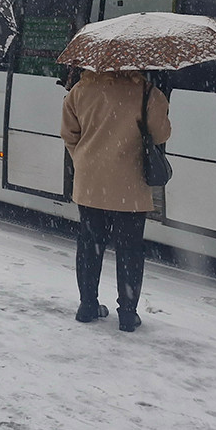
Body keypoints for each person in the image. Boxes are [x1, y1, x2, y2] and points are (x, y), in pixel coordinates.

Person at [60, 69, 171, 333]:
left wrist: (84, 159)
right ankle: (127, 315)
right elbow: (161, 135)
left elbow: (68, 133)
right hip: (130, 186)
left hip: (90, 183)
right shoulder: (148, 94)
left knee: (90, 245)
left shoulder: (80, 90)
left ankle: (87, 306)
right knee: (130, 249)